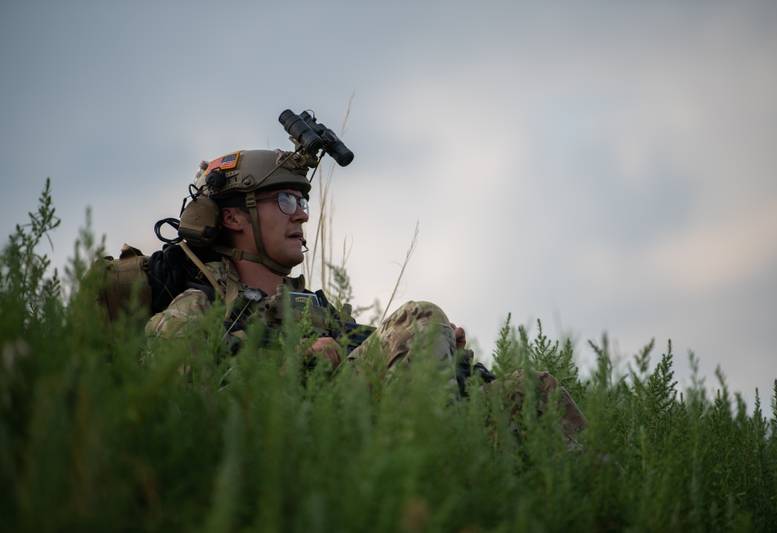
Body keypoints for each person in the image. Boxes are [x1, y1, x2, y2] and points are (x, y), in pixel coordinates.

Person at [143, 148, 587, 441]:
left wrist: (438, 349)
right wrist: (304, 364)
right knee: (419, 315)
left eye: (302, 202)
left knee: (533, 391)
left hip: (354, 423)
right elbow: (193, 417)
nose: (300, 216)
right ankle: (427, 487)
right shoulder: (196, 308)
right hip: (301, 446)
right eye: (283, 202)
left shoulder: (313, 310)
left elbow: (377, 350)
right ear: (234, 218)